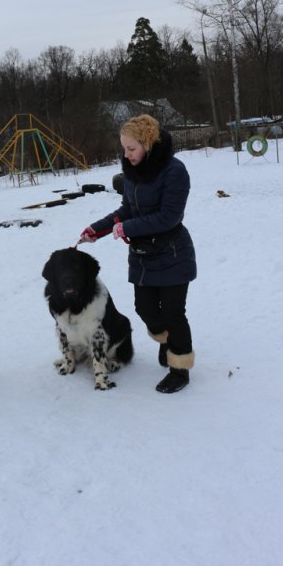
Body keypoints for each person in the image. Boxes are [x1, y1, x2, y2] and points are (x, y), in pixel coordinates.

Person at [79, 114, 196, 393]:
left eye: (131, 149)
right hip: (143, 255)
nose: (126, 154)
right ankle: (165, 339)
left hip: (172, 252)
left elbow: (169, 216)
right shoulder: (132, 172)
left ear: (148, 144)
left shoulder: (174, 171)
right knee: (144, 308)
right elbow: (127, 210)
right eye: (124, 149)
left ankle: (179, 368)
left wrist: (127, 227)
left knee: (173, 312)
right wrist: (99, 229)